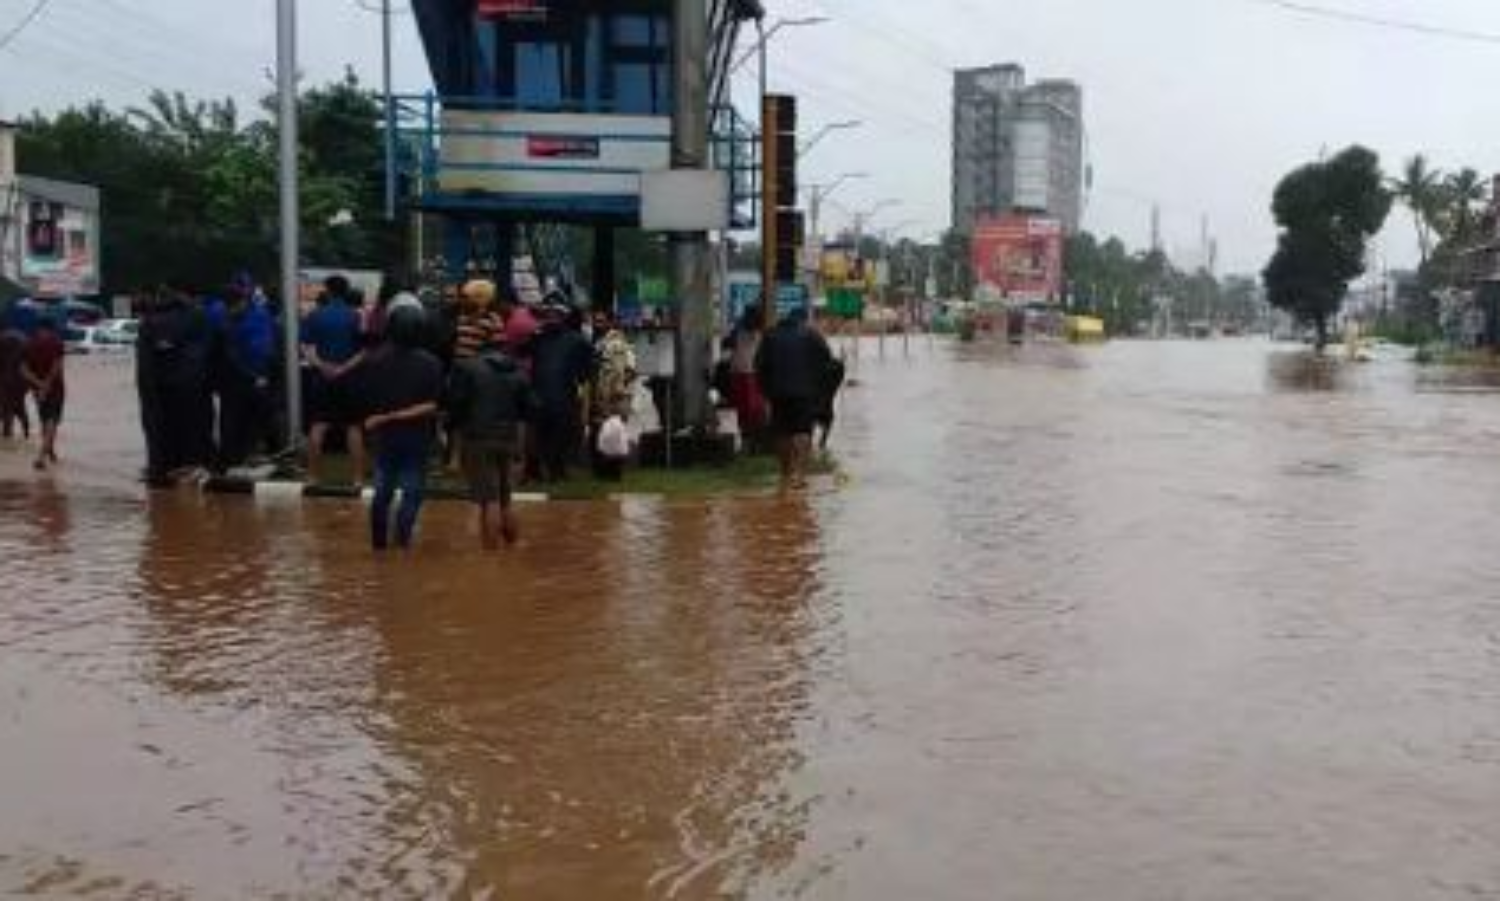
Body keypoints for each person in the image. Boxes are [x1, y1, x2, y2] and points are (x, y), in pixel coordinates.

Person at [361, 307, 444, 551]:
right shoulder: (431, 363)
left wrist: (382, 418)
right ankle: (401, 544)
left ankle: (379, 547)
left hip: (383, 435)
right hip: (416, 436)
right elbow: (434, 404)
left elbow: (366, 400)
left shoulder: (375, 360)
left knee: (382, 492)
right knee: (411, 492)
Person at [447, 337, 537, 549]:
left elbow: (456, 405)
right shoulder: (518, 372)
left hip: (478, 439)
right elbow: (532, 408)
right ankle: (513, 545)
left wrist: (452, 433)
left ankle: (490, 553)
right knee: (505, 497)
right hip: (508, 439)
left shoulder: (466, 368)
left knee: (488, 499)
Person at [754, 307, 834, 489]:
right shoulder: (812, 335)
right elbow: (827, 361)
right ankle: (800, 475)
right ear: (803, 320)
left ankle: (785, 473)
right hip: (804, 392)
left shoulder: (770, 335)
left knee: (782, 431)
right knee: (803, 431)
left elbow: (759, 365)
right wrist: (818, 387)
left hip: (778, 393)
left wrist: (766, 391)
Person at [302, 275, 367, 486]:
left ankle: (312, 477)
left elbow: (306, 348)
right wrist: (343, 368)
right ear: (346, 292)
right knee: (353, 427)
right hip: (350, 379)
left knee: (318, 425)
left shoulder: (314, 315)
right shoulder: (356, 316)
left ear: (328, 291)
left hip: (322, 378)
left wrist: (323, 366)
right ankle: (358, 479)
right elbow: (364, 351)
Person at [530, 304, 596, 483]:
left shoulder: (576, 340)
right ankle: (544, 469)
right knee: (544, 434)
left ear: (564, 318)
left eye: (556, 315)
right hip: (542, 394)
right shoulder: (539, 338)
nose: (552, 319)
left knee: (561, 433)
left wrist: (581, 381)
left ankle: (556, 469)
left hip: (563, 394)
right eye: (549, 315)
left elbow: (588, 366)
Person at [218, 283, 276, 470]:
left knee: (256, 419)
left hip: (255, 378)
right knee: (234, 422)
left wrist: (262, 375)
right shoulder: (225, 322)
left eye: (235, 305)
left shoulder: (259, 316)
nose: (232, 309)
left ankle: (250, 455)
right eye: (229, 306)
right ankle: (232, 460)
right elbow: (230, 356)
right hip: (238, 381)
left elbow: (267, 349)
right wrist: (255, 376)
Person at [21, 316, 66, 472]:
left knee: (44, 420)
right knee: (52, 421)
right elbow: (57, 366)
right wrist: (46, 385)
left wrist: (38, 384)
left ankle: (50, 450)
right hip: (55, 388)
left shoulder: (28, 344)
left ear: (38, 328)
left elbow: (23, 370)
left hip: (37, 389)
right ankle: (41, 457)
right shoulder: (57, 343)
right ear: (51, 329)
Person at [727, 307, 768, 441]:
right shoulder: (760, 332)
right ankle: (751, 436)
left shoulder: (738, 331)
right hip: (751, 373)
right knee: (752, 408)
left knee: (742, 407)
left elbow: (727, 344)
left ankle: (744, 435)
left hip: (738, 371)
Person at [0, 324, 30, 441]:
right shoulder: (23, 338)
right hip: (22, 381)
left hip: (6, 380)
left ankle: (7, 434)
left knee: (7, 406)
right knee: (19, 405)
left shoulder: (3, 340)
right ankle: (26, 433)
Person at [814, 352, 847, 452]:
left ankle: (819, 448)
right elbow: (840, 369)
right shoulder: (836, 378)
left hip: (813, 407)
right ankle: (821, 447)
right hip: (826, 409)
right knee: (826, 426)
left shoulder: (817, 373)